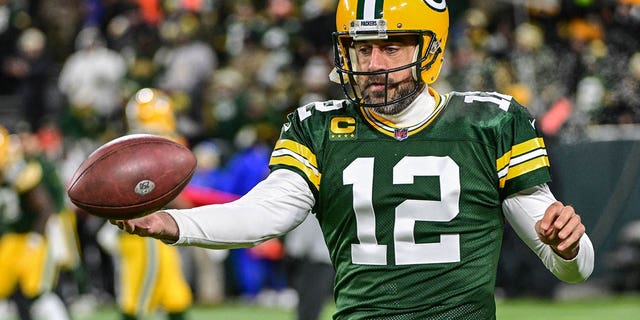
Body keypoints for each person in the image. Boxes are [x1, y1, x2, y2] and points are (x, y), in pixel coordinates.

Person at [111, 1, 595, 319]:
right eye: (362, 48)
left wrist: (570, 247)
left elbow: (571, 269)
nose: (374, 63)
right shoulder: (316, 126)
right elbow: (266, 213)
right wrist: (172, 222)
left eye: (391, 46)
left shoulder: (491, 122)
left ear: (431, 49)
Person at [96, 88, 193, 320]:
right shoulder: (143, 148)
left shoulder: (133, 146)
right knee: (137, 298)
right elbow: (159, 191)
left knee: (174, 294)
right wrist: (193, 213)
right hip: (141, 230)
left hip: (156, 228)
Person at [0, 125, 70, 320]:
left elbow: (44, 208)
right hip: (11, 236)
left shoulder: (18, 170)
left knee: (37, 293)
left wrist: (36, 238)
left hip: (32, 236)